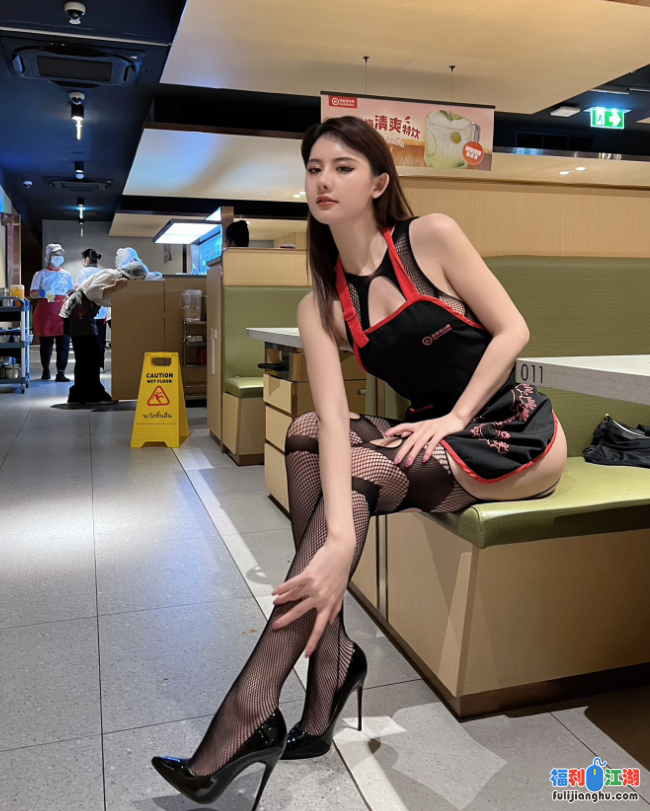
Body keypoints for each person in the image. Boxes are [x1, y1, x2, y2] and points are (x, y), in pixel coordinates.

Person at [151, 116, 568, 807]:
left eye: (343, 167)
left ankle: (253, 708)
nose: (324, 180)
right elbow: (333, 420)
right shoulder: (322, 302)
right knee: (308, 433)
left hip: (510, 432)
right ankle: (330, 665)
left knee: (359, 472)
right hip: (427, 433)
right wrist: (341, 537)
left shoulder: (430, 237)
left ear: (378, 182)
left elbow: (513, 329)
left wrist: (456, 417)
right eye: (314, 168)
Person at [60, 259, 149, 404]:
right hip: (79, 311)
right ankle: (94, 394)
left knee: (86, 354)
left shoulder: (120, 282)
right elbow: (91, 292)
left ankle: (79, 394)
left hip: (84, 313)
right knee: (90, 355)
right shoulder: (112, 275)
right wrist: (115, 286)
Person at [30, 243, 75, 381]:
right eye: (55, 254)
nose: (58, 257)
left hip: (63, 311)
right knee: (46, 344)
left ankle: (61, 372)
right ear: (49, 256)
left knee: (64, 343)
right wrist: (42, 293)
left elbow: (70, 291)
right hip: (46, 312)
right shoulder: (40, 274)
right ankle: (46, 370)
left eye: (60, 254)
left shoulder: (67, 275)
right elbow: (32, 293)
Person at [76, 249, 107, 369]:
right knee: (100, 340)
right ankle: (100, 365)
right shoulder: (102, 272)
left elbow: (80, 291)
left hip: (87, 312)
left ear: (87, 259)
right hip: (101, 311)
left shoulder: (83, 273)